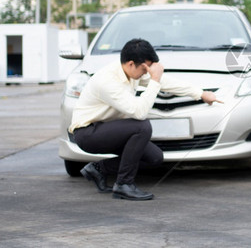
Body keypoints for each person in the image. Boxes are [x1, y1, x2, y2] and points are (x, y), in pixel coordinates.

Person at [69, 38, 220, 201]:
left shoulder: (131, 72)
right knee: (141, 126)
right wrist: (154, 80)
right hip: (88, 133)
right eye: (145, 68)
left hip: (108, 129)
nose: (147, 72)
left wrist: (201, 94)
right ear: (131, 64)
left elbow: (166, 82)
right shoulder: (107, 80)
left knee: (154, 158)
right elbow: (139, 112)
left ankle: (99, 169)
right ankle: (123, 185)